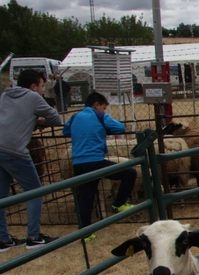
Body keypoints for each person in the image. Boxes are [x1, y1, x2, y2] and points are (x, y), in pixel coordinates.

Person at [0, 69, 64, 251]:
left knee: (1, 196)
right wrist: (38, 120)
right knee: (34, 192)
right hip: (15, 150)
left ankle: (3, 240)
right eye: (42, 86)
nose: (44, 90)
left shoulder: (5, 95)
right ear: (34, 86)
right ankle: (34, 237)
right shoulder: (33, 97)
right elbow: (56, 118)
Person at [63, 92, 136, 237]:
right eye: (103, 107)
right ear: (96, 105)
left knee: (86, 196)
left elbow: (65, 131)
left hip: (78, 163)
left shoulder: (75, 116)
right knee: (129, 173)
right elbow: (120, 128)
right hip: (95, 161)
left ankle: (86, 233)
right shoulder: (99, 116)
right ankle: (119, 203)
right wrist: (103, 127)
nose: (104, 110)